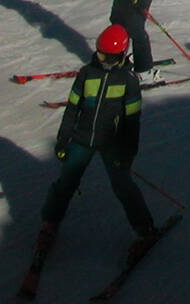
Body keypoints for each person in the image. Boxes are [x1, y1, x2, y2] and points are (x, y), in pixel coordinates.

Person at [35, 23, 156, 258]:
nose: (105, 62)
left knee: (123, 186)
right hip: (82, 138)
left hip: (112, 142)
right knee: (65, 183)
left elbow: (132, 121)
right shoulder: (87, 74)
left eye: (111, 57)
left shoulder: (128, 81)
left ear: (122, 55)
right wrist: (63, 139)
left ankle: (145, 230)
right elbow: (72, 109)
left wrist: (128, 152)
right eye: (101, 55)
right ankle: (49, 224)